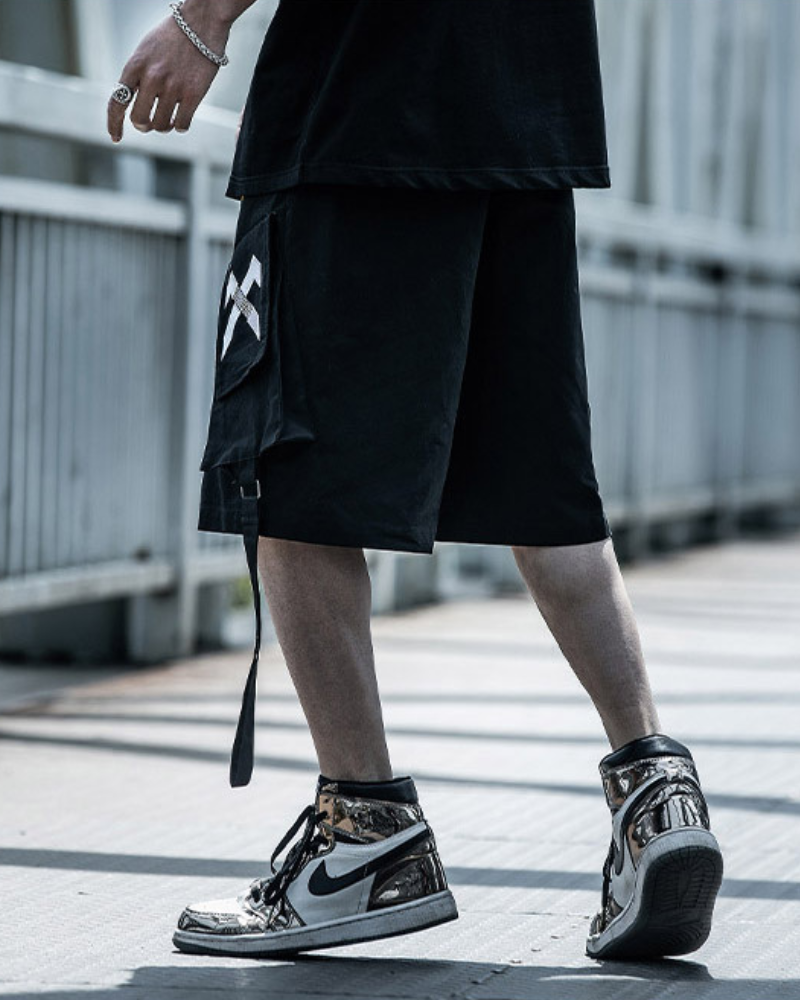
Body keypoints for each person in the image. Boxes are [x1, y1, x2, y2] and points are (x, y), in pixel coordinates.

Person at [108, 0, 723, 962]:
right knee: (552, 499)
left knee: (293, 482)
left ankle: (366, 835)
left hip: (362, 108)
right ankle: (657, 794)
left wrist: (202, 21)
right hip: (527, 117)